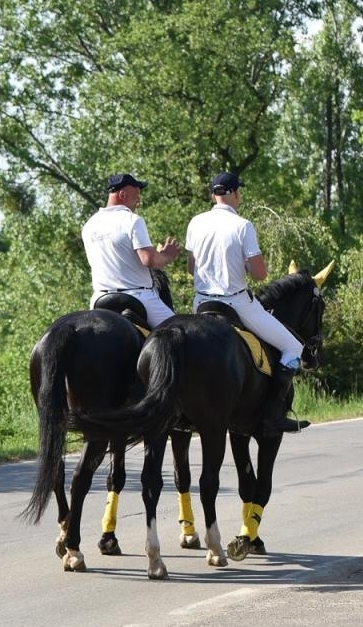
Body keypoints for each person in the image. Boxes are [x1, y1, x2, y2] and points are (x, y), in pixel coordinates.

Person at [184, 171, 303, 435]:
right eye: (239, 192)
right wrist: (251, 265)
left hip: (201, 304)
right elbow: (260, 274)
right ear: (234, 193)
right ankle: (274, 412)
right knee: (293, 346)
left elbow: (191, 267)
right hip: (236, 303)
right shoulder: (243, 226)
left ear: (213, 195)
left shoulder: (195, 222)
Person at [81, 173, 180, 328]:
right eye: (136, 196)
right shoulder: (132, 220)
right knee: (182, 333)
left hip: (99, 299)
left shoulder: (89, 225)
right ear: (122, 194)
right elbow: (149, 260)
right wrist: (167, 255)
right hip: (137, 297)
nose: (138, 202)